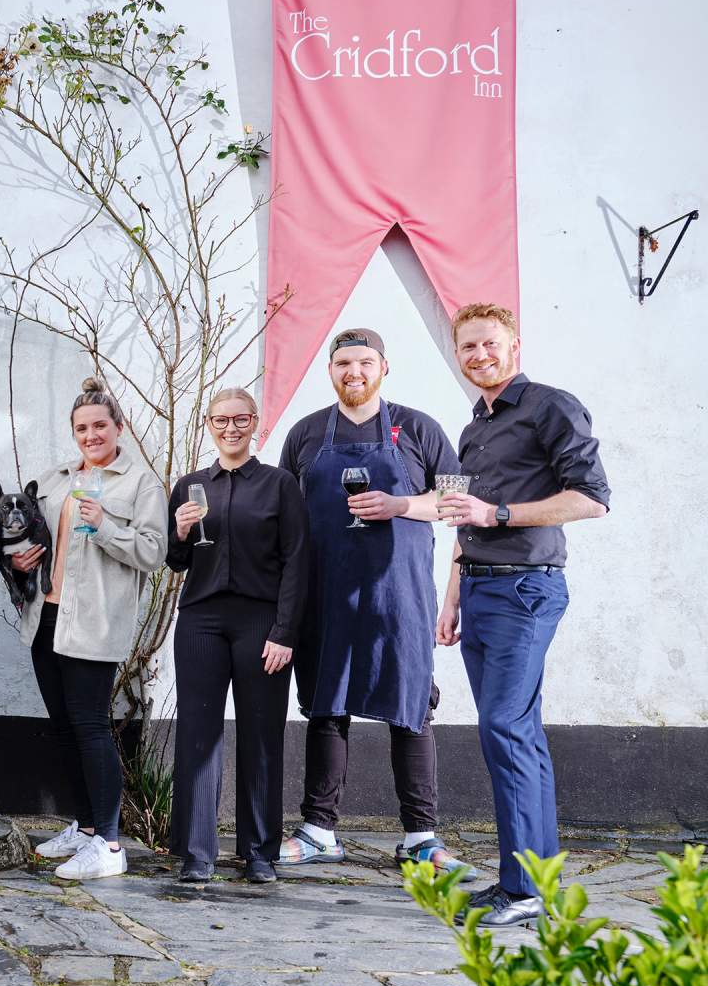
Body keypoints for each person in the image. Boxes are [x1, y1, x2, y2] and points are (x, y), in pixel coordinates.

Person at [275, 328, 474, 878]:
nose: (353, 372)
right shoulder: (305, 434)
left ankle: (421, 837)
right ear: (330, 370)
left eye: (364, 362)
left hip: (399, 599)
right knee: (326, 707)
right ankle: (318, 831)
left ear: (384, 366)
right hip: (326, 596)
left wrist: (400, 503)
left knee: (411, 709)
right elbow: (287, 520)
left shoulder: (421, 429)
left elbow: (457, 501)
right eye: (343, 363)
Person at [436, 303, 609, 928]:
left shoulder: (551, 406)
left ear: (515, 345)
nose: (478, 356)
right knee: (514, 734)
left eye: (489, 344)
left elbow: (591, 500)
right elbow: (461, 513)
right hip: (480, 591)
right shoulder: (473, 427)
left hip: (526, 591)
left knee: (505, 731)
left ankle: (527, 889)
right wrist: (451, 595)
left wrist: (500, 515)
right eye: (467, 349)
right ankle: (527, 882)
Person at [13, 377, 167, 879]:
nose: (91, 434)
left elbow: (153, 552)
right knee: (63, 730)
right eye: (82, 427)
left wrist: (103, 525)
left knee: (91, 726)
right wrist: (21, 562)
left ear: (118, 428)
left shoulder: (140, 483)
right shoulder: (56, 477)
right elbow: (32, 536)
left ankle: (109, 844)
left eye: (100, 425)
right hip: (47, 618)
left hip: (95, 621)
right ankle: (82, 828)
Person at [167, 388, 309, 883]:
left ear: (255, 423)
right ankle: (196, 853)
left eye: (241, 418)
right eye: (220, 419)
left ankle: (259, 852)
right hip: (201, 619)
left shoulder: (279, 485)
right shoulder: (188, 485)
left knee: (262, 735)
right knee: (197, 734)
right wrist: (181, 533)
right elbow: (175, 561)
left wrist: (285, 631)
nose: (231, 427)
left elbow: (297, 562)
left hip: (262, 623)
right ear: (208, 423)